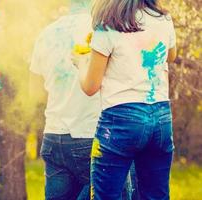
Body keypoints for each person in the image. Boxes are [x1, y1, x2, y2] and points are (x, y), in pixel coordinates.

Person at [30, 0, 136, 199]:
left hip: (54, 136)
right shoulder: (108, 28)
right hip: (93, 136)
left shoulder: (47, 33)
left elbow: (34, 89)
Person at [75, 0, 177, 199]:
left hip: (120, 120)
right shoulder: (163, 18)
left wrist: (81, 63)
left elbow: (90, 87)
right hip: (161, 118)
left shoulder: (108, 24)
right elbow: (170, 56)